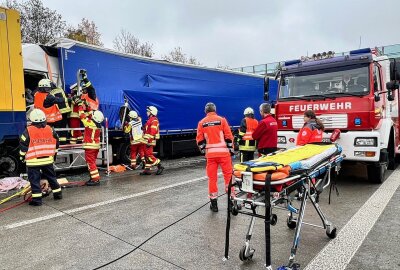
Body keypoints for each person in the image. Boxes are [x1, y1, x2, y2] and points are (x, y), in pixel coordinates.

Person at [19, 109, 62, 206]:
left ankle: (37, 200)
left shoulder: (28, 131)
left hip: (33, 161)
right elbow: (57, 143)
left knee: (35, 181)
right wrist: (54, 155)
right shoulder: (50, 129)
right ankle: (58, 194)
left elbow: (23, 146)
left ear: (32, 119)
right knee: (52, 178)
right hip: (48, 160)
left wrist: (21, 158)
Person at [196, 102, 234, 212]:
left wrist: (205, 152)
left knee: (212, 179)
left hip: (211, 155)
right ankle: (231, 203)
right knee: (228, 177)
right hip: (224, 154)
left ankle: (214, 204)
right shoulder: (222, 120)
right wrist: (231, 151)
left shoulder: (201, 123)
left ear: (205, 111)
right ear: (215, 110)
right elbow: (228, 136)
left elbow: (200, 140)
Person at [78, 101, 104, 186]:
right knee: (92, 162)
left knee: (90, 163)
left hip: (90, 147)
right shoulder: (97, 125)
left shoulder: (90, 123)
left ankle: (95, 180)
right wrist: (88, 107)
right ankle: (93, 177)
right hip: (95, 147)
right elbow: (90, 115)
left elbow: (82, 116)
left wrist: (80, 105)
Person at [141, 106, 164, 175]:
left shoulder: (154, 120)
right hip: (146, 140)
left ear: (151, 112)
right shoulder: (150, 119)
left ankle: (160, 166)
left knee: (149, 155)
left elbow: (153, 131)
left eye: (148, 111)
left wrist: (149, 140)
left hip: (149, 141)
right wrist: (144, 128)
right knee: (146, 155)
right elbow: (148, 130)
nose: (147, 112)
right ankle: (147, 170)